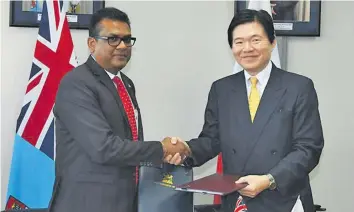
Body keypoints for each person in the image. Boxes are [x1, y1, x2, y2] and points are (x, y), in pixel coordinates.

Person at [166, 9, 324, 212]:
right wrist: (185, 149)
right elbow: (211, 140)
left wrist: (269, 180)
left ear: (272, 41)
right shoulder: (221, 89)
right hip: (238, 200)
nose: (247, 48)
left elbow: (308, 148)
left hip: (284, 198)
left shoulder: (298, 87)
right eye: (238, 42)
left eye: (255, 40)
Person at [49, 7, 190, 212]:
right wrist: (162, 149)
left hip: (126, 200)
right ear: (92, 43)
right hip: (86, 203)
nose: (122, 46)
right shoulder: (76, 83)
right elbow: (104, 148)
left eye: (127, 39)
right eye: (113, 39)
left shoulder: (126, 83)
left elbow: (130, 142)